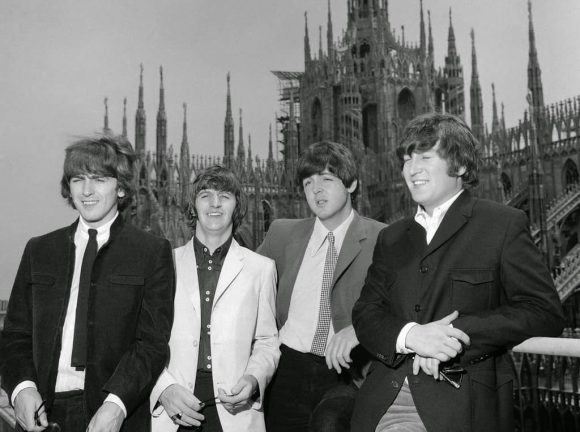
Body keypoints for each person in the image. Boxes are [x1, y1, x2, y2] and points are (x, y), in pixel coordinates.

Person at [351, 113, 566, 432]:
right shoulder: (392, 236)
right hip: (383, 400)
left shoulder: (502, 224)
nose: (412, 168)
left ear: (461, 165)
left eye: (425, 156)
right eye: (407, 159)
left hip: (461, 404)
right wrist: (412, 336)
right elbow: (366, 313)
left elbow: (543, 311)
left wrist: (453, 337)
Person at [0, 135, 175, 432]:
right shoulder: (40, 250)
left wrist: (116, 404)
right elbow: (16, 334)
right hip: (41, 412)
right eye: (78, 179)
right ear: (68, 187)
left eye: (100, 179)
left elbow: (151, 345)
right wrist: (22, 388)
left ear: (121, 187)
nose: (87, 190)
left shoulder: (151, 251)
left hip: (113, 415)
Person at [258, 141, 386, 432]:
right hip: (286, 369)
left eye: (327, 179)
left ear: (351, 184)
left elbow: (405, 302)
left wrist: (360, 329)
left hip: (347, 371)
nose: (316, 189)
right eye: (308, 182)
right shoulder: (282, 233)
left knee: (329, 424)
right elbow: (244, 282)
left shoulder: (382, 238)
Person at [150, 165, 279, 432]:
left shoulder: (261, 268)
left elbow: (267, 341)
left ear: (237, 206)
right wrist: (164, 389)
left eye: (225, 196)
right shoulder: (164, 264)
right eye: (205, 195)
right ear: (193, 205)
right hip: (175, 408)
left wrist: (254, 379)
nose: (215, 203)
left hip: (235, 409)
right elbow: (143, 340)